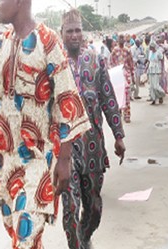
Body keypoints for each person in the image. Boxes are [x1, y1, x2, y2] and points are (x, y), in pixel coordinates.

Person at [0, 0, 91, 248]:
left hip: (38, 160)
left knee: (24, 239)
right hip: (4, 162)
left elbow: (67, 100)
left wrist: (65, 159)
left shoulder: (48, 42)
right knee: (23, 238)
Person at [60, 9, 126, 249]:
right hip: (65, 149)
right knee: (70, 208)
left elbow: (108, 99)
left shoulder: (95, 60)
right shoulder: (54, 64)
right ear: (62, 34)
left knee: (94, 207)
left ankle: (85, 236)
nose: (75, 35)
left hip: (93, 146)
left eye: (78, 30)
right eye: (70, 31)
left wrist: (118, 136)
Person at [110, 34, 135, 123]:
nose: (121, 40)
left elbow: (131, 63)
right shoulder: (114, 51)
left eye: (122, 38)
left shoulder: (127, 50)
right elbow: (111, 64)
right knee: (118, 96)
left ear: (124, 40)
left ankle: (127, 115)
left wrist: (132, 76)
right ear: (117, 40)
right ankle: (119, 113)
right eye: (119, 38)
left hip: (126, 76)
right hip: (117, 76)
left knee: (127, 96)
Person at [145, 41, 166, 105]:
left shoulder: (158, 52)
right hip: (150, 69)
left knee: (155, 85)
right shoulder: (150, 53)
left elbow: (162, 59)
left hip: (156, 69)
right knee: (151, 86)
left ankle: (161, 95)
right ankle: (153, 99)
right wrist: (146, 68)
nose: (150, 48)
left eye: (151, 47)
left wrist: (162, 69)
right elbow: (149, 61)